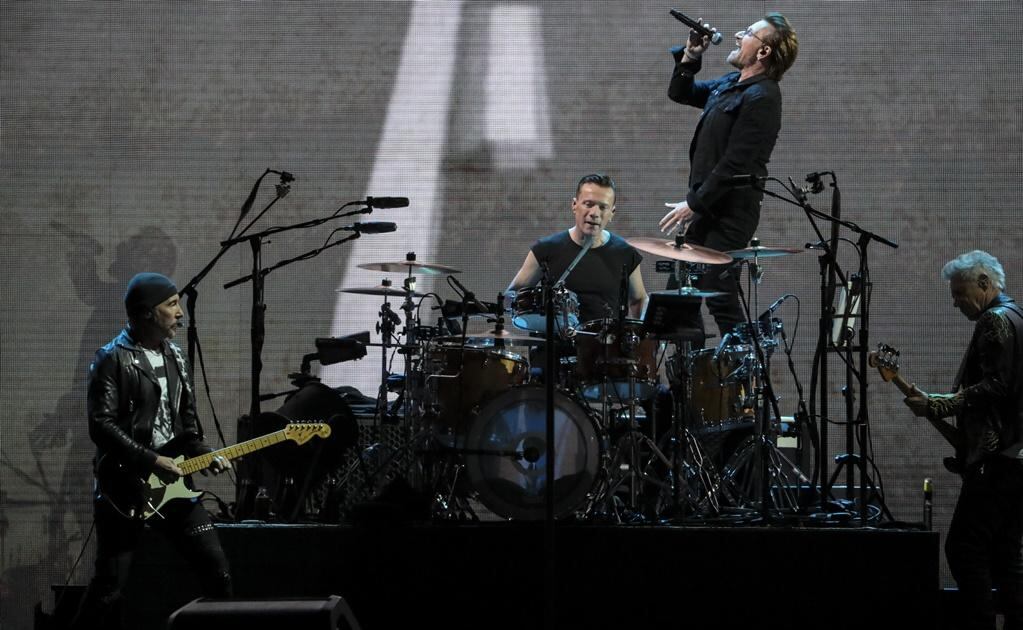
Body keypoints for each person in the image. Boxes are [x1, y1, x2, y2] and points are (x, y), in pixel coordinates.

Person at [72, 272, 232, 630]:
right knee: (109, 589)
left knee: (217, 572)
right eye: (171, 304)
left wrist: (204, 451)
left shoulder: (177, 357)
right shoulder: (111, 358)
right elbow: (101, 426)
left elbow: (187, 425)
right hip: (124, 488)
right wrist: (151, 460)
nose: (180, 312)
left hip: (175, 488)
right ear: (146, 313)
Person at [658, 13, 798, 338]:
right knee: (679, 294)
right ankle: (690, 368)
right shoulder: (730, 84)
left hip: (730, 214)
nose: (737, 35)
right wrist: (691, 55)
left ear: (763, 51)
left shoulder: (763, 97)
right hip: (708, 208)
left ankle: (745, 364)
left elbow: (736, 163)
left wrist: (693, 204)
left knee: (718, 293)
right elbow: (681, 92)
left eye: (747, 33)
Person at [904, 251, 1023, 630]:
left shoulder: (994, 319)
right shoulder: (1018, 315)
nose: (955, 302)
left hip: (997, 458)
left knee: (964, 547)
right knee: (1007, 553)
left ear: (984, 283)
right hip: (1015, 456)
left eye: (959, 292)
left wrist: (941, 404)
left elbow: (997, 386)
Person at [507, 173, 648, 323]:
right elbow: (512, 296)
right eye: (588, 204)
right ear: (574, 205)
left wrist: (646, 331)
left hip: (606, 338)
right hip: (555, 337)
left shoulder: (625, 253)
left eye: (602, 207)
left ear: (612, 213)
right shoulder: (546, 249)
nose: (594, 213)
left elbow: (638, 300)